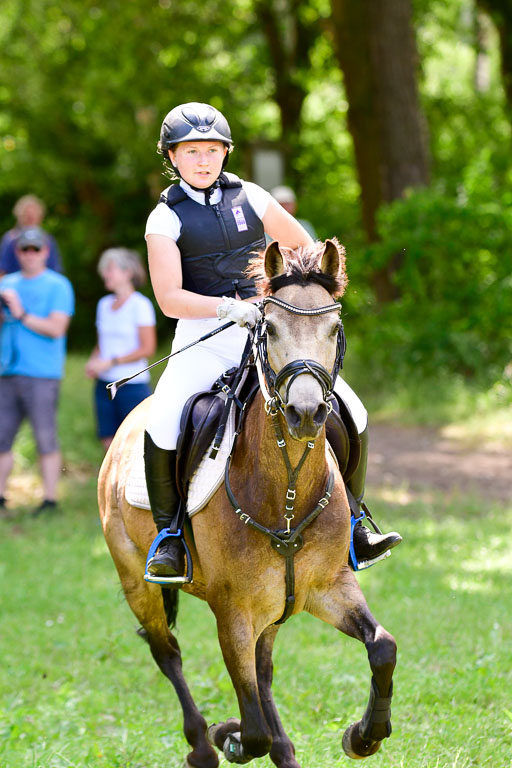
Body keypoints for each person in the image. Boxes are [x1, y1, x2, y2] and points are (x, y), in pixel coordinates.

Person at [144, 101, 401, 582]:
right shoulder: (164, 218)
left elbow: (303, 246)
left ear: (225, 153)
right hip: (204, 334)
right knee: (163, 420)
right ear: (173, 157)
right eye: (192, 151)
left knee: (354, 410)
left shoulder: (253, 196)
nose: (204, 160)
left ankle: (357, 525)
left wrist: (289, 298)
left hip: (268, 333)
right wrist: (226, 307)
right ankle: (170, 538)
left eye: (213, 151)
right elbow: (169, 298)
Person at [0, 227, 74, 514]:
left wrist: (20, 313)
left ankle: (50, 500)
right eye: (24, 249)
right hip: (7, 370)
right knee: (2, 438)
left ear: (45, 252)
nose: (30, 255)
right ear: (17, 253)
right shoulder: (7, 284)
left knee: (45, 436)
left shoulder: (58, 285)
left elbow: (56, 328)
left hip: (42, 373)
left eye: (35, 249)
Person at [85, 248, 157, 451]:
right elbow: (102, 343)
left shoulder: (140, 305)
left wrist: (111, 362)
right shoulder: (103, 304)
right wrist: (94, 361)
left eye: (109, 269)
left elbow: (147, 348)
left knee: (133, 443)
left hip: (131, 385)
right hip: (104, 385)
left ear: (127, 273)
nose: (104, 274)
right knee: (108, 440)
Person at [0, 195, 62, 276]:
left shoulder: (47, 239)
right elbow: (2, 269)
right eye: (27, 216)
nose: (30, 219)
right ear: (19, 216)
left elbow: (55, 270)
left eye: (33, 216)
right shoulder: (10, 238)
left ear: (40, 217)